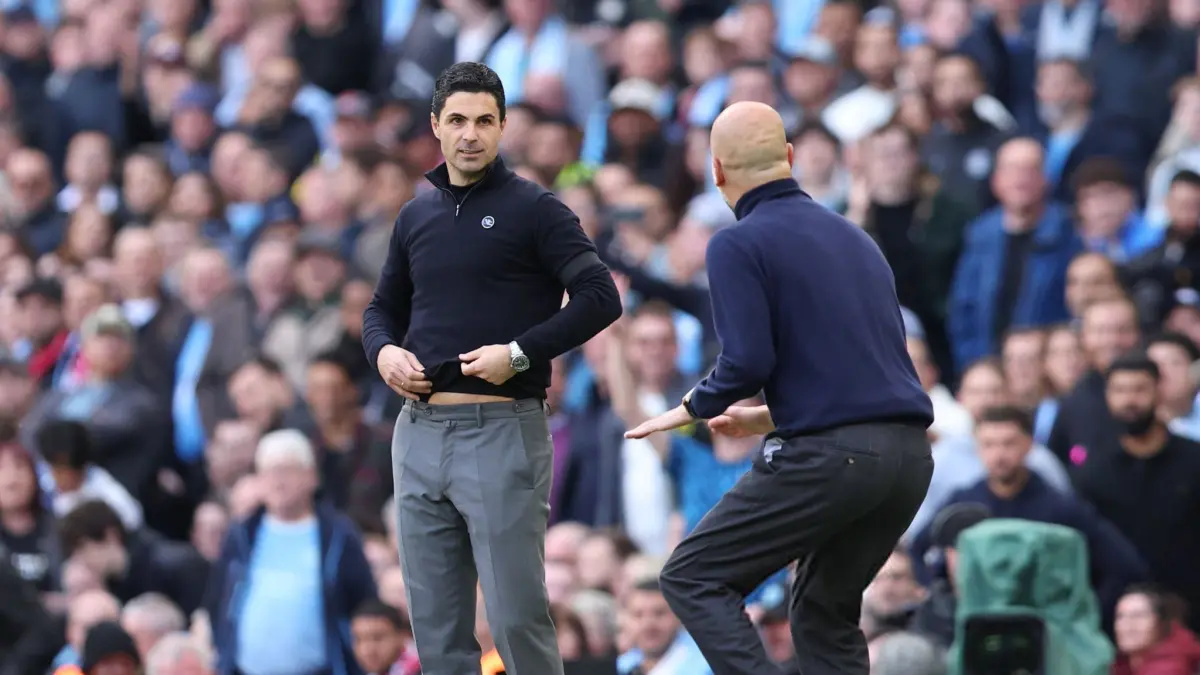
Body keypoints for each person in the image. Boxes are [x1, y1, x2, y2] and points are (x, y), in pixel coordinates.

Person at [625, 101, 936, 675]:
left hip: (833, 458)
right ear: (788, 158)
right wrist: (766, 418)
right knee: (822, 613)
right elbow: (870, 374)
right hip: (908, 459)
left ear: (716, 171)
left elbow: (745, 361)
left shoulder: (736, 243)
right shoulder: (857, 239)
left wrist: (693, 406)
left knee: (693, 575)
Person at [361, 62, 621, 675]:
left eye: (483, 121)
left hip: (501, 429)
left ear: (503, 128)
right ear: (436, 127)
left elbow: (599, 294)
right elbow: (380, 311)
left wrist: (522, 353)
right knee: (435, 629)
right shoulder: (415, 216)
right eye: (456, 121)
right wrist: (383, 352)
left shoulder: (535, 208)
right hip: (418, 431)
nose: (469, 134)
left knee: (516, 619)